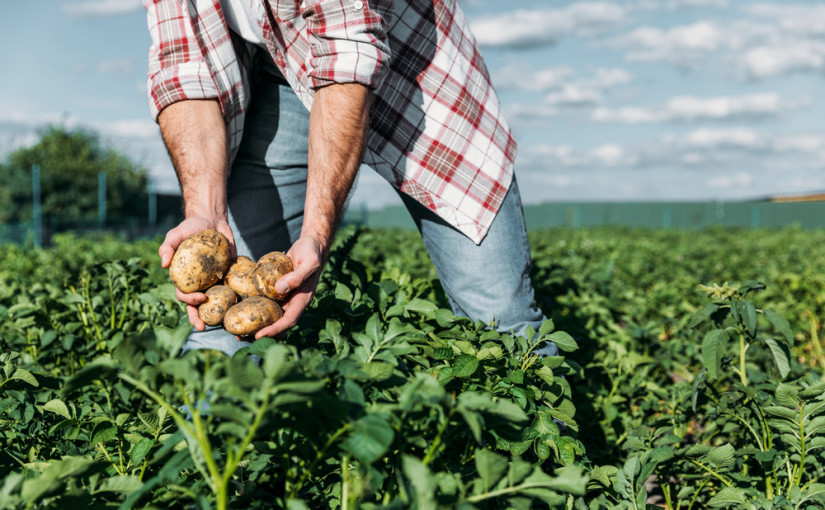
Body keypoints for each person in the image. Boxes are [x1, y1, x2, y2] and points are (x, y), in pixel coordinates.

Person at [143, 0, 557, 358]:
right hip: (272, 73)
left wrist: (316, 234)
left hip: (415, 70)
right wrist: (206, 213)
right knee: (232, 313)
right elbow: (183, 68)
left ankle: (538, 445)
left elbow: (346, 49)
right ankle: (208, 445)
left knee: (501, 321)